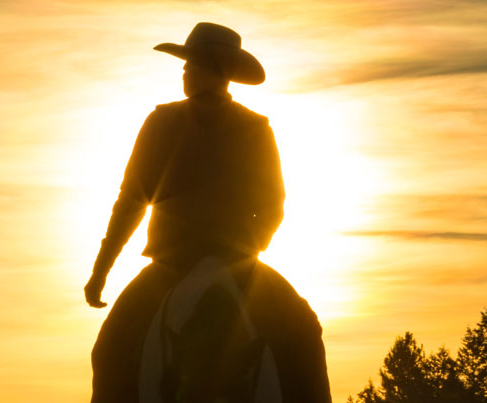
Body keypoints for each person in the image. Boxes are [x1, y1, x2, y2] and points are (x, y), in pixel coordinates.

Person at [84, 22, 331, 403]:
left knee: (111, 350)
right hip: (238, 265)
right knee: (303, 335)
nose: (184, 71)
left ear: (216, 69)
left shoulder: (164, 122)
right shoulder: (253, 127)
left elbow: (132, 200)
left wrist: (101, 272)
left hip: (172, 264)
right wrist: (243, 250)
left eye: (191, 63)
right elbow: (272, 207)